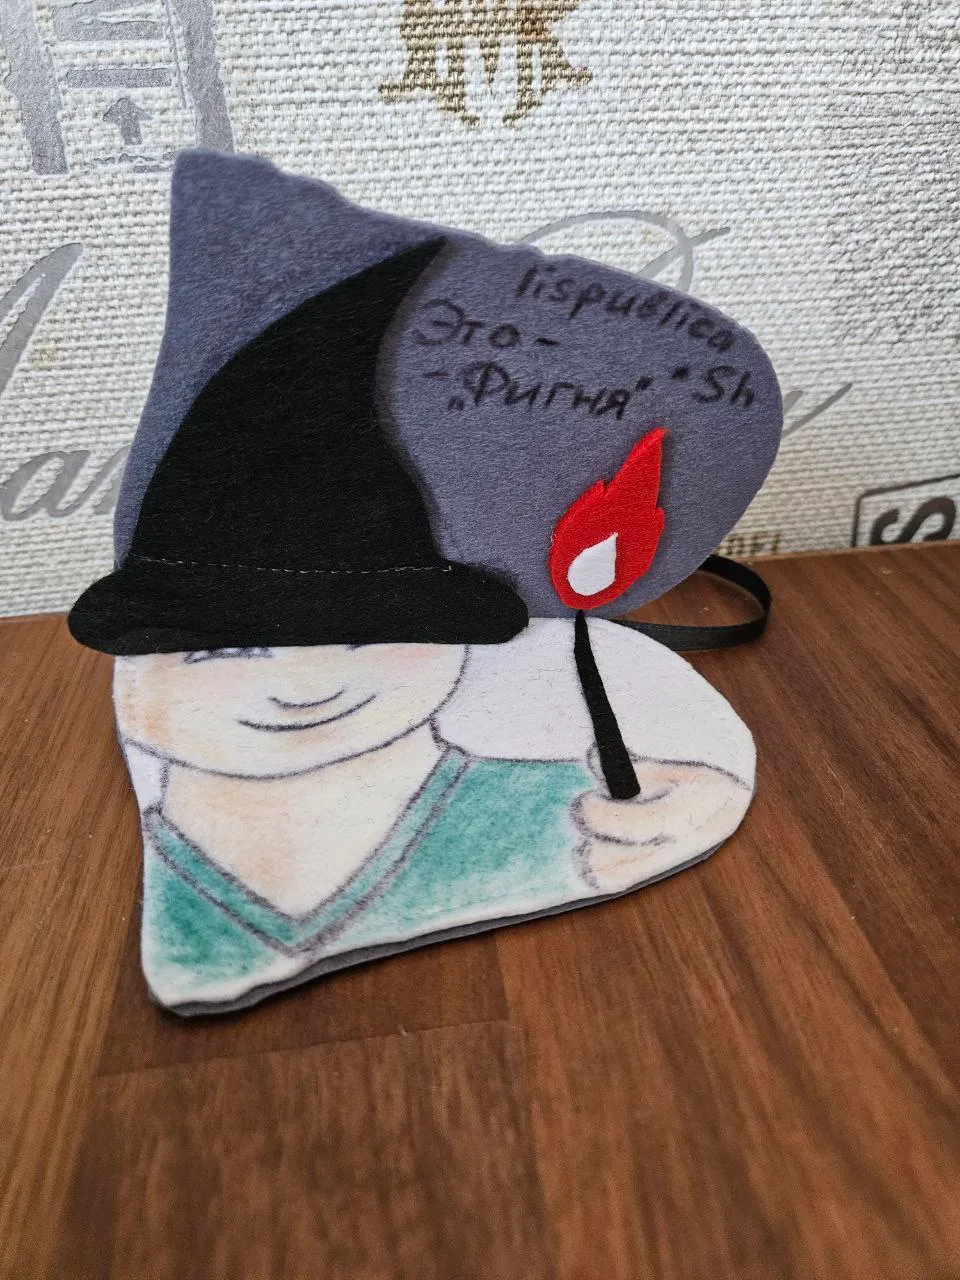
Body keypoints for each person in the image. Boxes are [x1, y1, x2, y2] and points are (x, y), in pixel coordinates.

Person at [116, 623, 752, 1010]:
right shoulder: (180, 874)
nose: (304, 689)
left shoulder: (581, 816)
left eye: (374, 635)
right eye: (224, 650)